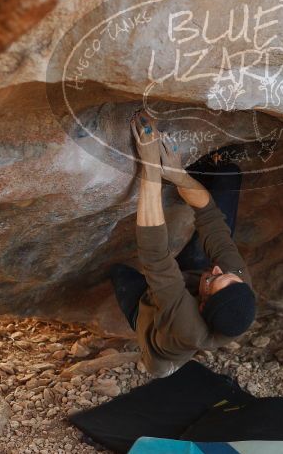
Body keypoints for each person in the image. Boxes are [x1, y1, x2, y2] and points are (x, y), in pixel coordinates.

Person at [109, 111, 256, 377]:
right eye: (228, 275)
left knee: (118, 272)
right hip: (189, 286)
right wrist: (178, 175)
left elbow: (155, 256)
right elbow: (211, 216)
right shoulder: (238, 287)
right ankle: (211, 167)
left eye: (214, 280)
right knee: (228, 178)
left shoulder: (187, 325)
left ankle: (161, 364)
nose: (217, 270)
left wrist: (151, 165)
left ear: (201, 304)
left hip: (158, 327)